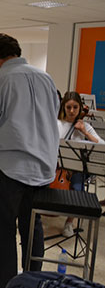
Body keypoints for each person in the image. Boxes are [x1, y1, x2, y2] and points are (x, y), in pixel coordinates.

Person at [0, 33, 60, 288]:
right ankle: (34, 283)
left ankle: (5, 284)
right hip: (43, 168)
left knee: (4, 230)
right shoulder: (46, 78)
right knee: (33, 229)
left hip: (9, 170)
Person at [57, 91, 104, 237]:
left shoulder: (86, 126)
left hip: (77, 169)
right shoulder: (57, 123)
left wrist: (85, 132)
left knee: (77, 188)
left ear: (80, 108)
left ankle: (69, 222)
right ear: (63, 107)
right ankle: (35, 216)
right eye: (68, 107)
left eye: (75, 107)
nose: (72, 111)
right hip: (57, 166)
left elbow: (102, 145)